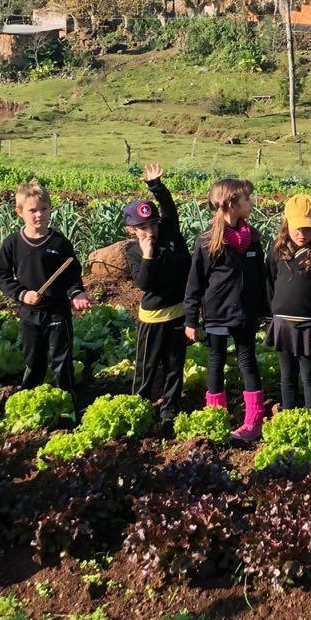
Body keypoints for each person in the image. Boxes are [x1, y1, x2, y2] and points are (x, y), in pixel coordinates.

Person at [184, 177, 269, 444]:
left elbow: (261, 279)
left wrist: (265, 313)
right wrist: (191, 319)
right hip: (218, 313)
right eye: (247, 199)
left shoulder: (252, 239)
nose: (252, 203)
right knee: (216, 360)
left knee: (248, 361)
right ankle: (216, 415)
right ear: (232, 204)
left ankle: (253, 421)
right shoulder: (208, 241)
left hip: (245, 314)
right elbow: (195, 282)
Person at [0, 181, 92, 394]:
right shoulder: (12, 243)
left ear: (50, 208)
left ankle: (66, 398)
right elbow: (1, 275)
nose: (39, 214)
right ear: (19, 212)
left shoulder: (59, 243)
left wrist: (77, 293)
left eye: (44, 209)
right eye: (32, 210)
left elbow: (72, 273)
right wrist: (21, 293)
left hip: (57, 310)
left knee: (61, 357)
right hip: (29, 313)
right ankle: (30, 394)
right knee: (33, 358)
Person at [123, 164, 191, 434]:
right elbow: (143, 283)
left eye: (152, 224)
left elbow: (170, 209)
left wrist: (156, 186)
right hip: (151, 319)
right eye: (142, 227)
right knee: (146, 366)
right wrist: (148, 253)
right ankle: (138, 407)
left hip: (178, 312)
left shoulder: (170, 233)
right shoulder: (134, 252)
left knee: (175, 366)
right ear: (132, 230)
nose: (149, 230)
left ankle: (170, 412)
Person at [265, 194, 311, 411]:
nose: (301, 233)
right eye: (296, 227)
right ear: (286, 224)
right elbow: (268, 282)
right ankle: (288, 416)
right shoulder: (278, 249)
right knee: (286, 375)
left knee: (310, 375)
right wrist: (271, 316)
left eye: (307, 228)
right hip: (282, 324)